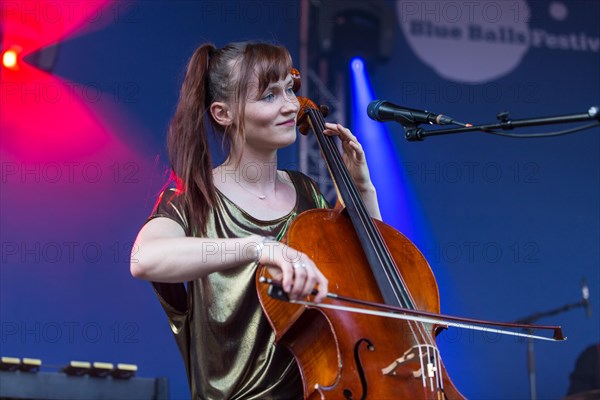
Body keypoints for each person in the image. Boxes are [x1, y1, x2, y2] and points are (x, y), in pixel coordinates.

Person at [130, 41, 381, 399]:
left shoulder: (307, 193)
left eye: (290, 90)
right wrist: (258, 247)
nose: (291, 106)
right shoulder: (192, 201)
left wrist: (362, 187)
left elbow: (370, 273)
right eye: (269, 96)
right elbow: (143, 259)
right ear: (223, 113)